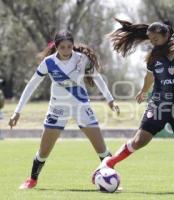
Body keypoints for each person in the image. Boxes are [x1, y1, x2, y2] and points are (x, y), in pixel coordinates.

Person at [92, 18, 174, 193]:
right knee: (139, 141)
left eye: (156, 39)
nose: (153, 43)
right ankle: (108, 163)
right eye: (151, 40)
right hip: (158, 106)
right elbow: (149, 77)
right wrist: (144, 91)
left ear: (166, 35)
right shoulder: (154, 57)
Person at [8, 30, 120, 189]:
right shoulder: (48, 62)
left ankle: (112, 178)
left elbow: (98, 78)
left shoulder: (82, 59)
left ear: (73, 45)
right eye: (62, 47)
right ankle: (32, 179)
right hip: (57, 108)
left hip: (81, 106)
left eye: (69, 47)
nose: (66, 50)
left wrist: (110, 100)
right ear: (56, 46)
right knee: (44, 151)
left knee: (101, 148)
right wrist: (17, 111)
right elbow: (31, 85)